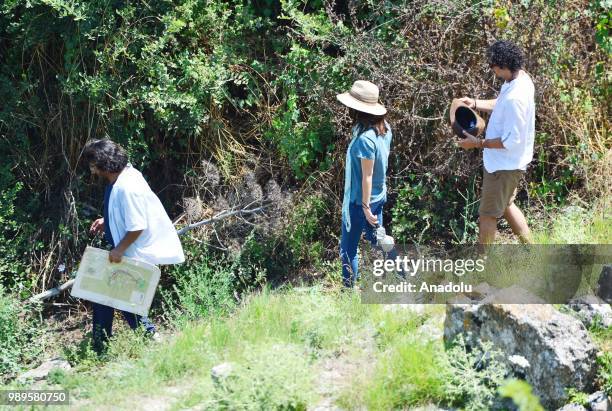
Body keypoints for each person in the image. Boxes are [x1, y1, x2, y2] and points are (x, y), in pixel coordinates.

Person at [83, 139, 184, 353]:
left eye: (92, 165)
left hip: (132, 252)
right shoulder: (122, 178)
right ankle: (101, 346)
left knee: (121, 300)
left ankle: (151, 340)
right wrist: (107, 221)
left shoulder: (127, 187)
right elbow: (127, 214)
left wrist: (119, 249)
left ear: (101, 164)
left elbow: (137, 226)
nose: (91, 170)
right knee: (104, 296)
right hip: (123, 250)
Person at [457, 40, 535, 244]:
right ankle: (533, 253)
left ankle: (485, 268)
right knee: (507, 205)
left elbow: (511, 141)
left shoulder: (515, 98)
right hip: (510, 163)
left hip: (503, 167)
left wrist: (478, 143)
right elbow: (500, 104)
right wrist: (474, 103)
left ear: (503, 66)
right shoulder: (520, 79)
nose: (492, 70)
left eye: (494, 66)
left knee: (487, 215)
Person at [337, 80, 399, 288]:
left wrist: (364, 207)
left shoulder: (365, 139)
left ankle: (348, 292)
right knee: (377, 239)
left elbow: (367, 175)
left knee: (347, 249)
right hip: (378, 196)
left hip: (360, 202)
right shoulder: (385, 129)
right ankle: (400, 271)